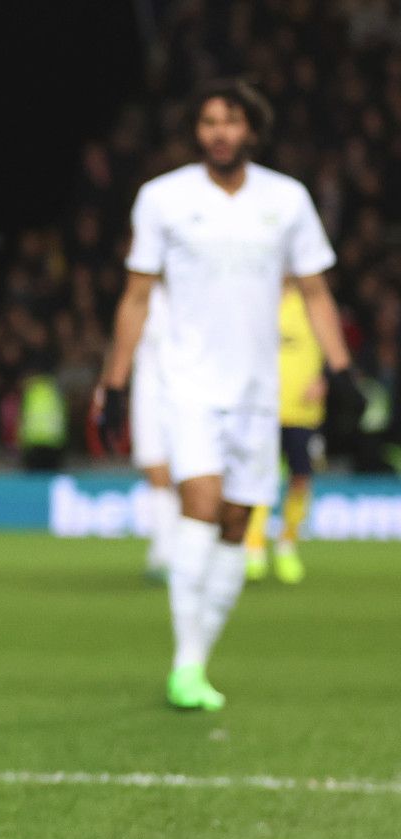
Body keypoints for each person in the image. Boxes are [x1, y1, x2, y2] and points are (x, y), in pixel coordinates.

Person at [95, 80, 360, 711]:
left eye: (231, 121)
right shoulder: (163, 199)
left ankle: (198, 658)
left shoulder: (286, 199)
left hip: (258, 392)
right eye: (209, 121)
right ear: (197, 131)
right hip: (188, 384)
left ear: (252, 131)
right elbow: (136, 295)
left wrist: (343, 371)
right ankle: (184, 665)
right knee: (201, 506)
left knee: (239, 523)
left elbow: (316, 291)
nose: (219, 131)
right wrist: (114, 381)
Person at [243, 280, 329, 583]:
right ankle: (253, 546)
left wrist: (325, 378)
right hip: (263, 408)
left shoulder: (313, 303)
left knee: (300, 477)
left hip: (302, 412)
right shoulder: (257, 300)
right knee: (259, 477)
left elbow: (333, 343)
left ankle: (287, 542)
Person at [130, 283, 177, 584]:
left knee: (189, 475)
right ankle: (164, 551)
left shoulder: (200, 288)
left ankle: (179, 552)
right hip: (149, 393)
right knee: (156, 471)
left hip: (191, 393)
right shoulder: (144, 293)